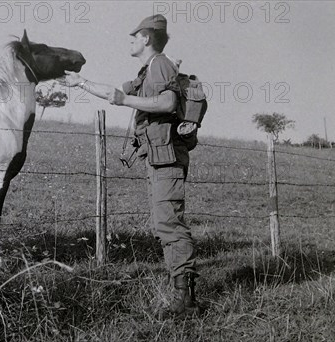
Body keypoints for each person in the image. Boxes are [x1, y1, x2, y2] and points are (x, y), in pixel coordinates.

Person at [59, 14, 201, 318]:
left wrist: (125, 100)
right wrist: (79, 82)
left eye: (134, 36)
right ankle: (181, 295)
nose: (131, 40)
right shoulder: (148, 70)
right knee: (165, 225)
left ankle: (185, 300)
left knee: (169, 224)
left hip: (168, 159)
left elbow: (166, 103)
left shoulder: (160, 64)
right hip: (158, 159)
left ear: (147, 38)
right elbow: (114, 93)